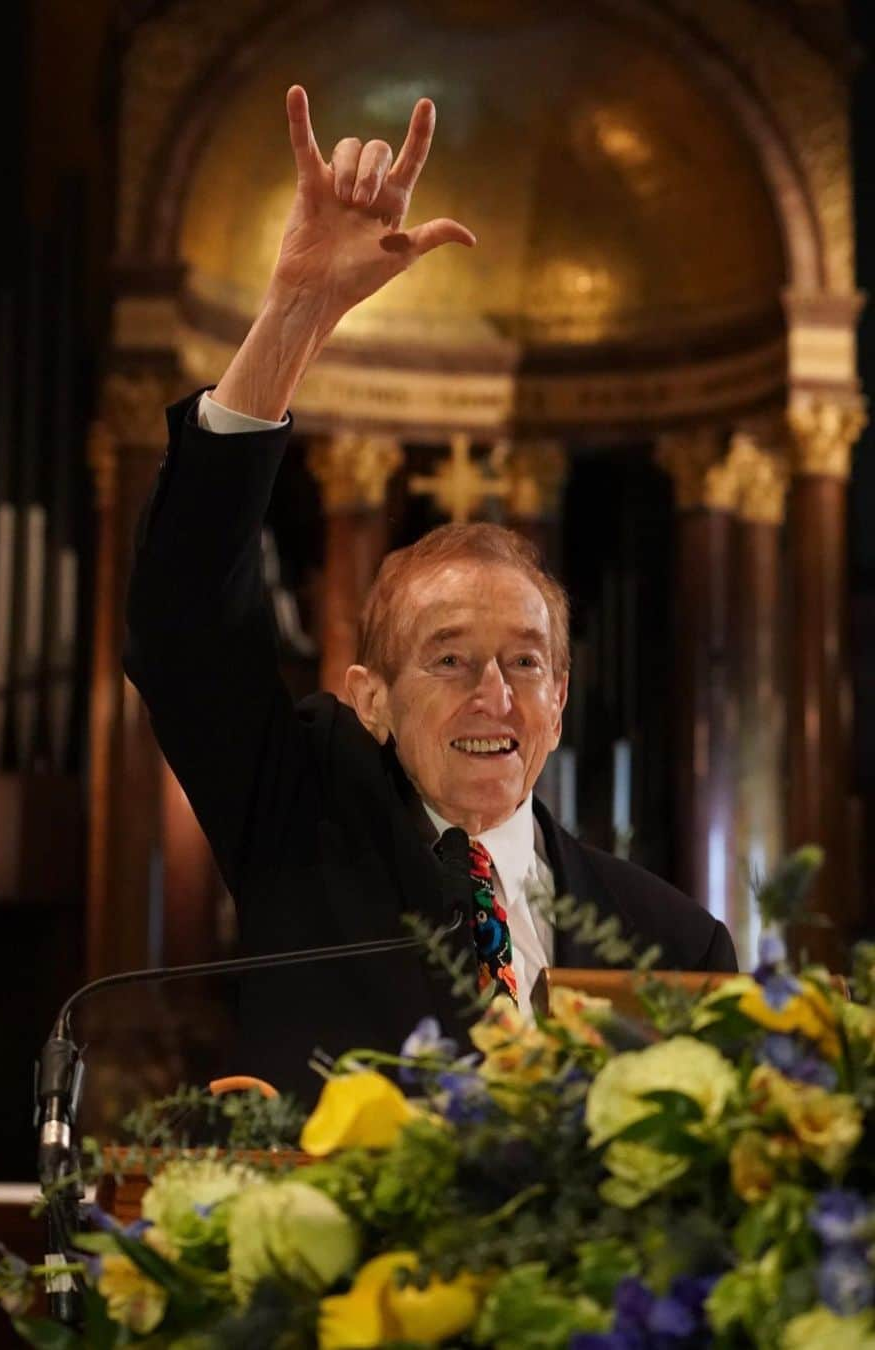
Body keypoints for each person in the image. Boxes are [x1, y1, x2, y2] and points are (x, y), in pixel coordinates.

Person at [125, 86, 737, 1102]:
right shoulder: (299, 821)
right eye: (449, 659)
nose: (493, 695)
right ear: (371, 698)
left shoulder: (674, 941)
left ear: (562, 694)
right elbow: (181, 619)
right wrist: (297, 312)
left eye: (525, 663)